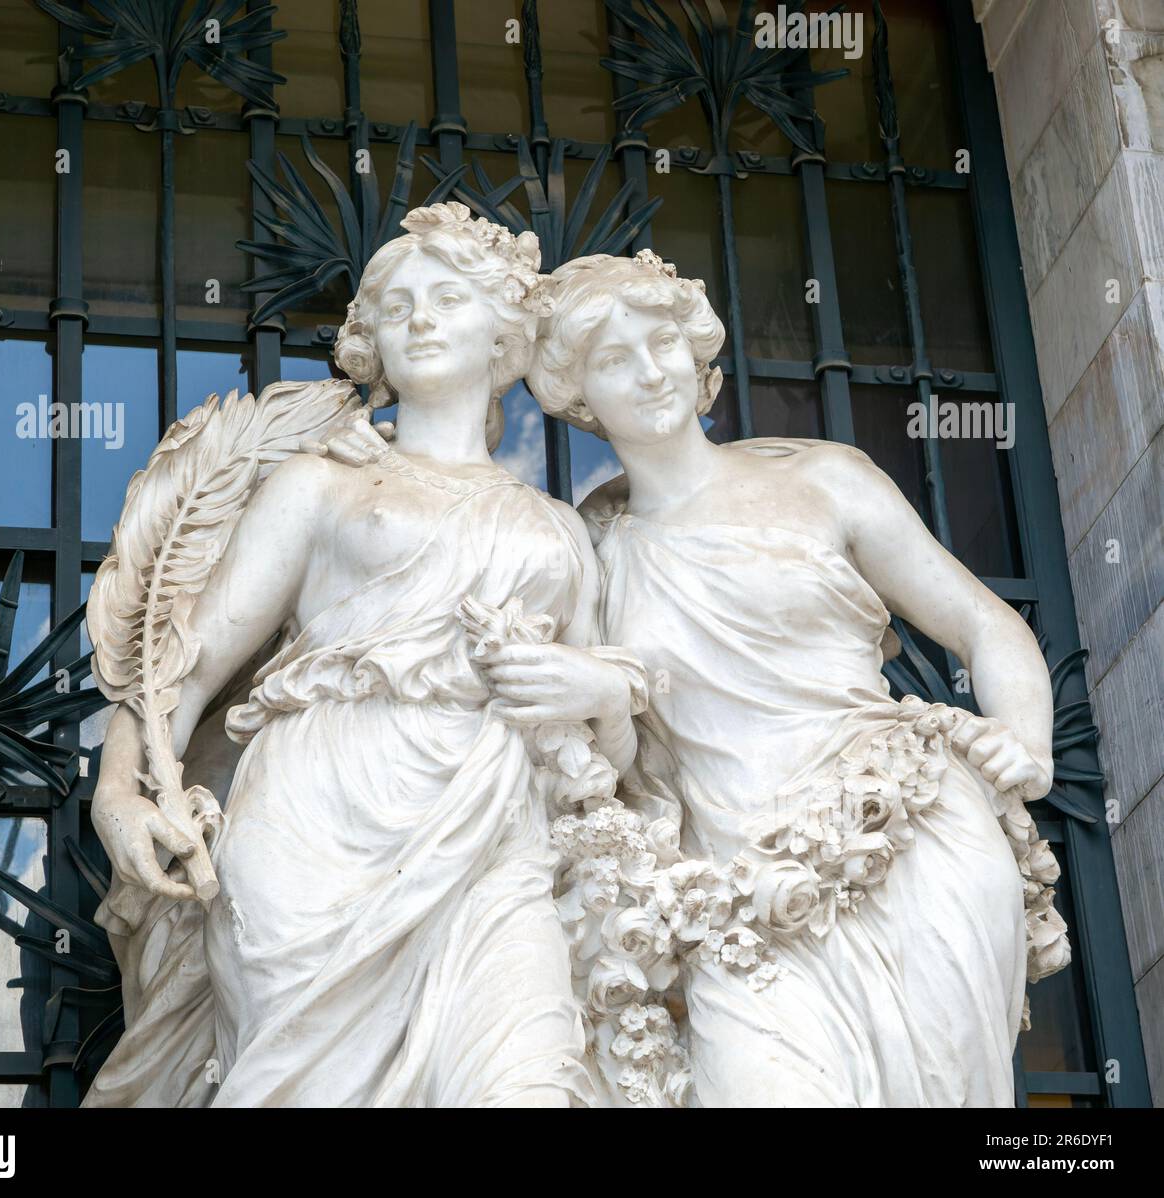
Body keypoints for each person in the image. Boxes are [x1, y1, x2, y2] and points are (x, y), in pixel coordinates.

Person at [82, 205, 644, 1107]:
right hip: (315, 822)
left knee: (527, 1081)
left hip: (497, 832)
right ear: (369, 339)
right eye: (397, 303)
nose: (419, 317)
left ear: (504, 330)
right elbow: (183, 662)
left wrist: (602, 696)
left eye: (448, 297)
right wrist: (118, 789)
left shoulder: (558, 527)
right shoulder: (319, 486)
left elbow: (609, 771)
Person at [516, 250, 1064, 1106]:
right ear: (579, 396)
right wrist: (600, 698)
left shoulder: (822, 478)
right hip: (732, 892)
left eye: (660, 343)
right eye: (613, 361)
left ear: (696, 352)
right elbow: (613, 768)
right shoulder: (589, 546)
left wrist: (1024, 739)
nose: (649, 372)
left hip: (903, 833)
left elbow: (982, 622)